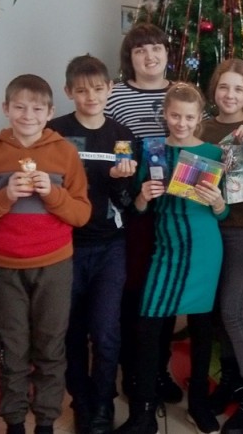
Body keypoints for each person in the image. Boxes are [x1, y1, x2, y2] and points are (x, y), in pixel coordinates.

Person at [0, 74, 91, 434]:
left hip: (54, 264)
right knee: (12, 348)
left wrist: (52, 194)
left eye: (37, 109)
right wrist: (5, 196)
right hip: (4, 267)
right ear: (6, 109)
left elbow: (81, 215)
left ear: (49, 112)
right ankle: (15, 422)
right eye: (19, 107)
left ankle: (46, 421)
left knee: (51, 347)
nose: (28, 115)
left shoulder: (65, 152)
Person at [113, 83, 229, 434]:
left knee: (202, 329)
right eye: (175, 115)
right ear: (165, 114)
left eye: (189, 117)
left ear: (199, 117)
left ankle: (198, 404)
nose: (181, 123)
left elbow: (223, 212)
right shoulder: (153, 150)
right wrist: (143, 197)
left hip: (204, 247)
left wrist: (217, 202)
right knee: (148, 325)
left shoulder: (212, 152)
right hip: (166, 248)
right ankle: (143, 413)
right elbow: (136, 208)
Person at [48, 55, 138, 434]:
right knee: (71, 331)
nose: (91, 97)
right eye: (82, 90)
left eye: (98, 89)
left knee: (105, 332)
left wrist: (120, 181)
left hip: (109, 247)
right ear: (68, 91)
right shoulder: (54, 132)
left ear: (110, 89)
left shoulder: (122, 135)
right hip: (64, 246)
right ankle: (81, 402)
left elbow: (127, 202)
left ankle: (103, 403)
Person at [106, 23, 185, 404]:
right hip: (133, 209)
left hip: (174, 207)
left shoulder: (181, 92)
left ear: (167, 53)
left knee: (165, 291)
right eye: (140, 50)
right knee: (133, 290)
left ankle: (159, 370)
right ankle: (133, 372)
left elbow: (198, 139)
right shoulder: (116, 96)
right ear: (130, 57)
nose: (149, 56)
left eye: (156, 48)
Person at [198, 59, 243, 434]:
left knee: (232, 309)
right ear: (214, 89)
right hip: (209, 227)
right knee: (217, 311)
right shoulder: (203, 127)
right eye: (224, 87)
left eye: (238, 89)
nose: (230, 95)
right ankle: (231, 380)